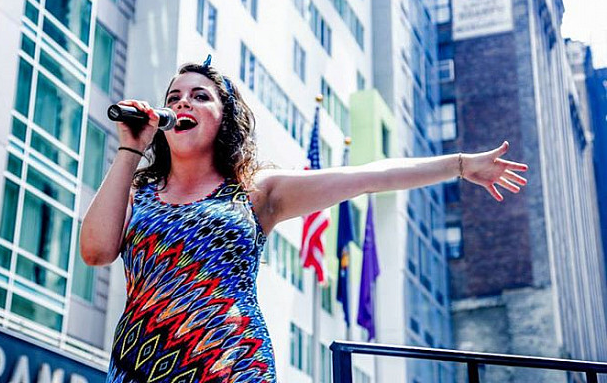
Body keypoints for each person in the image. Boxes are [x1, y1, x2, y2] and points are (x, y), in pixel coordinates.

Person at [80, 59, 528, 383]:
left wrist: (461, 165)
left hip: (229, 363)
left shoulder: (259, 192)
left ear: (224, 119)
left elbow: (370, 177)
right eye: (174, 97)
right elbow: (96, 251)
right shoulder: (139, 190)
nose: (183, 103)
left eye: (200, 96)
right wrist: (130, 148)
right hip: (141, 362)